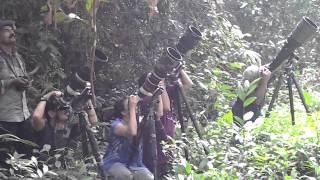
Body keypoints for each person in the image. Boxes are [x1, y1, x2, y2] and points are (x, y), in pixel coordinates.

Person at [139, 69, 193, 177]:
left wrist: (179, 68)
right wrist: (161, 84)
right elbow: (166, 108)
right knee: (156, 171)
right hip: (155, 143)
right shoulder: (147, 99)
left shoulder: (165, 92)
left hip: (167, 143)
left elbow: (188, 85)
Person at [0, 19, 33, 164]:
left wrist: (26, 84)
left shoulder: (18, 58)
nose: (13, 32)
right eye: (7, 29)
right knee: (4, 161)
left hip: (23, 116)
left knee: (27, 157)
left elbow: (22, 79)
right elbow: (11, 81)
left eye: (14, 29)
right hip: (5, 119)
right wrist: (12, 82)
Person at [102, 95, 154, 180]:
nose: (134, 105)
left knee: (148, 177)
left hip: (135, 164)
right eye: (129, 104)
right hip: (115, 162)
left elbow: (159, 113)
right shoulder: (116, 124)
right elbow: (132, 132)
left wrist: (158, 94)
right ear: (123, 112)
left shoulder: (140, 122)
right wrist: (132, 108)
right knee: (125, 175)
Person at [31, 90, 98, 150]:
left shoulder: (72, 125)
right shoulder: (44, 126)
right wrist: (46, 97)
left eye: (68, 108)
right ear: (51, 113)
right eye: (63, 109)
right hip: (43, 161)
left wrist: (87, 101)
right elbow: (36, 116)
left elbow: (94, 123)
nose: (68, 111)